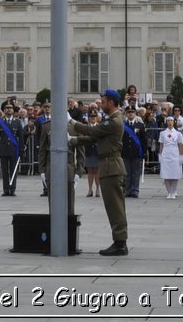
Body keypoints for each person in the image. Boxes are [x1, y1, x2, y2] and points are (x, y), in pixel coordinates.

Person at [68, 90, 128, 256]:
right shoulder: (111, 120)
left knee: (115, 207)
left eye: (103, 101)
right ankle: (119, 241)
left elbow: (92, 132)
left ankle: (120, 243)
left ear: (111, 102)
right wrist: (73, 140)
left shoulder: (114, 121)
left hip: (112, 166)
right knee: (113, 206)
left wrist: (72, 122)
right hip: (109, 166)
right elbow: (95, 138)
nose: (101, 104)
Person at [0, 103, 25, 197]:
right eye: (7, 108)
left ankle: (12, 189)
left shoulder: (17, 122)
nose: (9, 110)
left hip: (14, 150)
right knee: (5, 171)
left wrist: (21, 150)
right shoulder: (0, 122)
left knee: (13, 171)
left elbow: (21, 137)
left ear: (13, 111)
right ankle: (5, 190)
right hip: (3, 150)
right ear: (4, 110)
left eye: (10, 108)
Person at [158, 117, 183, 199]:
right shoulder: (162, 133)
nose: (170, 122)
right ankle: (169, 192)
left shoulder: (178, 133)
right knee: (166, 174)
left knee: (174, 174)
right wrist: (160, 155)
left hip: (175, 153)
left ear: (174, 122)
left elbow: (181, 145)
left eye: (171, 121)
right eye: (168, 121)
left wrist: (181, 156)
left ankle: (173, 191)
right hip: (166, 154)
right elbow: (161, 145)